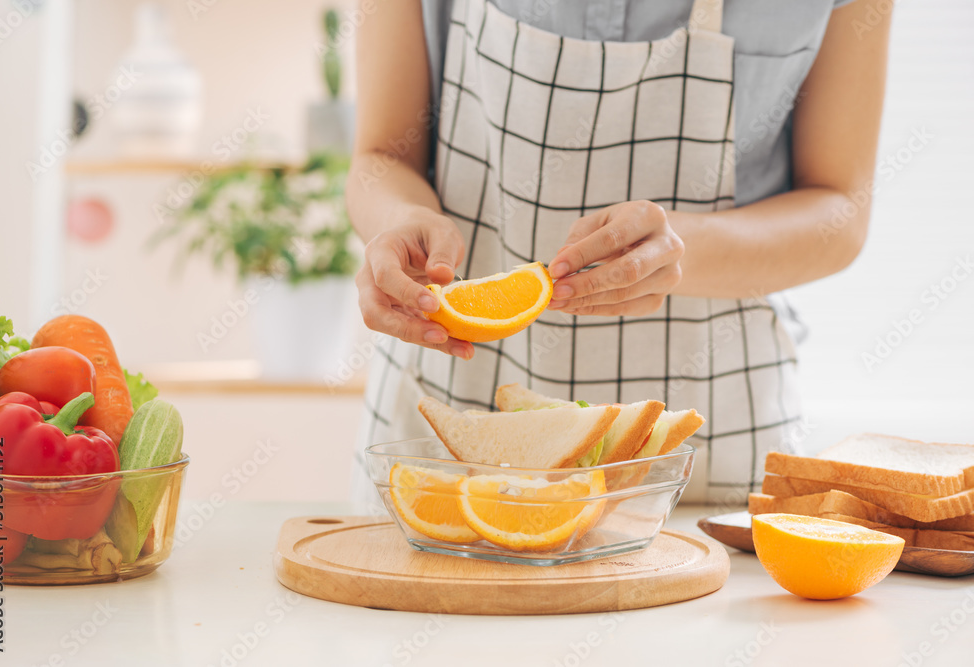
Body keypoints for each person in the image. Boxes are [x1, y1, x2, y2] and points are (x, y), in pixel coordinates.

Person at [346, 0, 890, 507]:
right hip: (448, 417)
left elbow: (842, 208)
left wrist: (678, 249)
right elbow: (379, 155)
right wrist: (400, 221)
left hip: (710, 448)